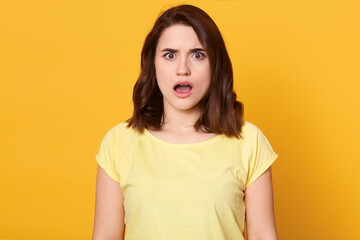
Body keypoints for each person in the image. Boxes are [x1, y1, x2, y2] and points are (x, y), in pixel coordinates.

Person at [93, 4, 278, 240]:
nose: (183, 69)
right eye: (170, 55)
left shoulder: (249, 142)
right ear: (153, 64)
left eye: (198, 55)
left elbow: (263, 235)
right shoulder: (118, 143)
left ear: (215, 65)